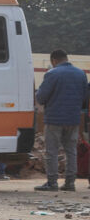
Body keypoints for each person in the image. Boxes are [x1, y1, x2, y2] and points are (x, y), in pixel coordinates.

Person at [34, 49, 89, 191]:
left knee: (51, 151)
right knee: (71, 151)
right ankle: (70, 183)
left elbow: (41, 97)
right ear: (66, 58)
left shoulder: (52, 74)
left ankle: (52, 183)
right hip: (73, 118)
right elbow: (84, 97)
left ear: (53, 60)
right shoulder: (80, 74)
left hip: (54, 119)